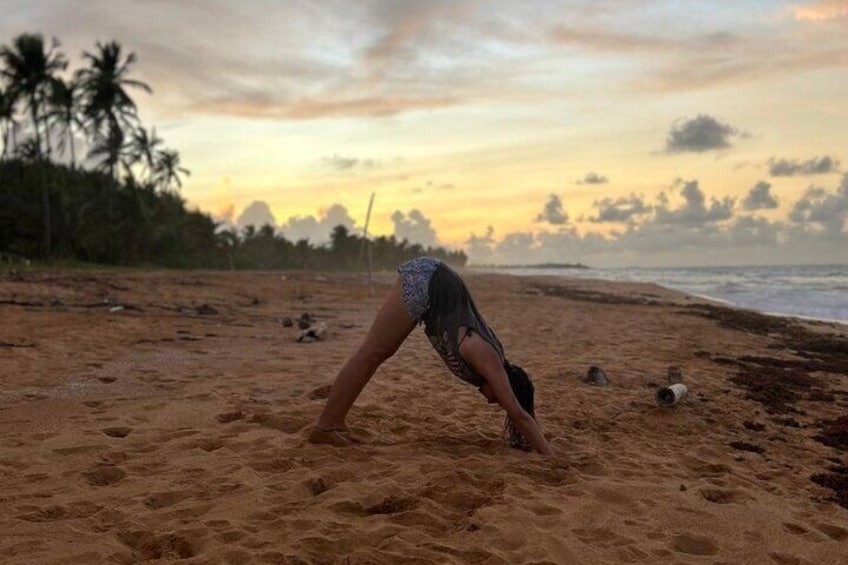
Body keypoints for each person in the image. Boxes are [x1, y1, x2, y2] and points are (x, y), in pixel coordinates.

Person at [309, 256, 553, 456]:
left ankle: (335, 422)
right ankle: (326, 426)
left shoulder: (488, 364)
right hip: (425, 279)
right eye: (499, 398)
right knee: (374, 352)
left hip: (436, 281)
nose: (493, 402)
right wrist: (550, 457)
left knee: (379, 352)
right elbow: (519, 414)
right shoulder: (489, 359)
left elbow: (521, 414)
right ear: (506, 385)